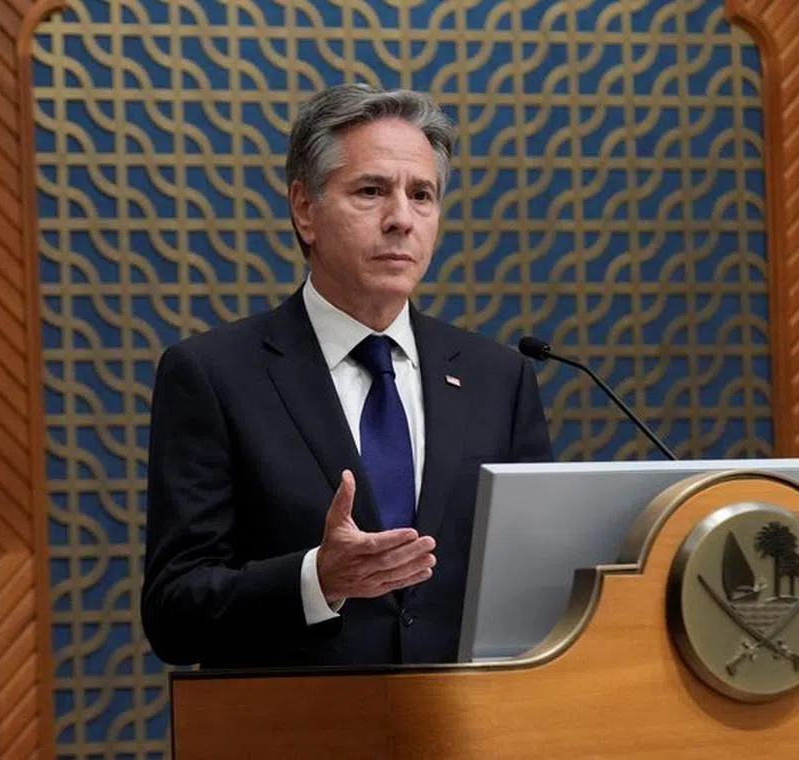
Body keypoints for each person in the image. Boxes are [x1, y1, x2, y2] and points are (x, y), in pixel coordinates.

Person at [141, 83, 553, 668]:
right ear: (305, 209)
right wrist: (318, 578)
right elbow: (173, 614)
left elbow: (535, 584)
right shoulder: (213, 375)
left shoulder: (499, 379)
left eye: (422, 195)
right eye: (371, 191)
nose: (401, 220)